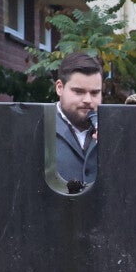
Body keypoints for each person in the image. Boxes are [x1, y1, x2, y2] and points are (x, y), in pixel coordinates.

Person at [52, 52, 106, 191]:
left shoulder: (112, 129)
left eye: (94, 93)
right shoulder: (38, 126)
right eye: (79, 91)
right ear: (59, 88)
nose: (88, 100)